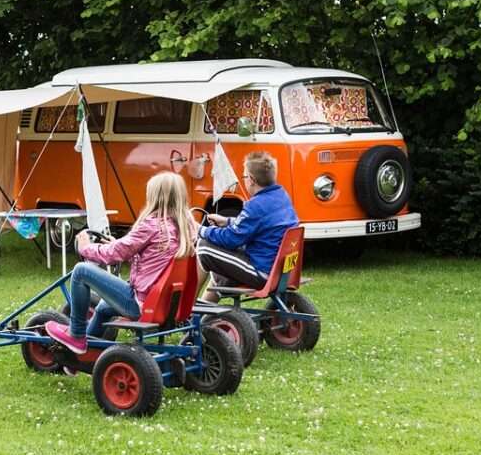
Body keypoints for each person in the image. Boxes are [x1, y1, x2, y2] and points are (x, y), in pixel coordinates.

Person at [44, 172, 195, 355]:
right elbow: (151, 258)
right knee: (102, 308)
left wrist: (85, 247)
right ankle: (83, 356)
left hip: (141, 304)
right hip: (166, 304)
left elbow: (115, 254)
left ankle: (76, 335)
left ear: (155, 197)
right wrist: (116, 243)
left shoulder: (151, 224)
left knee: (81, 271)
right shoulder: (184, 227)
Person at [196, 150, 298, 302]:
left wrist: (201, 230)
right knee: (221, 270)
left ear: (251, 179)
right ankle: (201, 315)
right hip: (281, 271)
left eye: (244, 176)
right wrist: (228, 221)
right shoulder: (281, 196)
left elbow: (231, 239)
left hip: (261, 272)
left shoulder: (255, 205)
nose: (244, 179)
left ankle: (185, 309)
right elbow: (259, 226)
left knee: (204, 247)